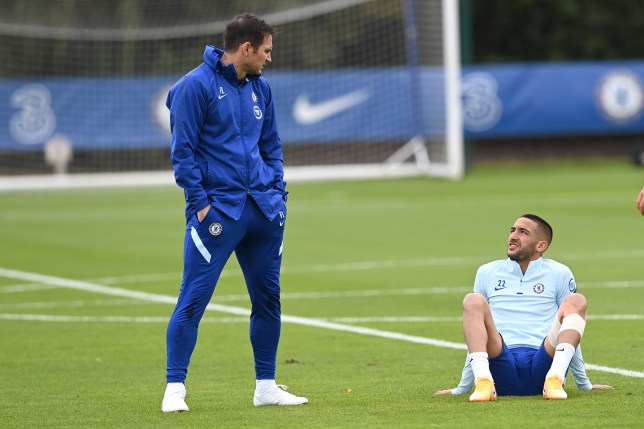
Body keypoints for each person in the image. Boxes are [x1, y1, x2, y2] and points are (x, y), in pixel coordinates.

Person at [161, 12, 307, 412]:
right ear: (246, 48)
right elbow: (183, 154)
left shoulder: (262, 89)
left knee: (269, 300)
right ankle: (175, 388)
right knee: (193, 299)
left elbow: (271, 146)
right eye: (266, 51)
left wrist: (278, 195)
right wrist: (201, 206)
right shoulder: (194, 87)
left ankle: (266, 386)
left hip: (263, 211)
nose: (269, 59)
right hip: (219, 214)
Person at [436, 214, 613, 401]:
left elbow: (571, 329)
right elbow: (477, 333)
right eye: (512, 230)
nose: (513, 236)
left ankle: (555, 380)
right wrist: (463, 386)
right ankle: (483, 383)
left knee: (576, 301)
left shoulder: (559, 273)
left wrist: (583, 383)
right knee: (472, 300)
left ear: (541, 245)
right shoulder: (486, 272)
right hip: (500, 363)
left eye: (523, 232)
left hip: (543, 362)